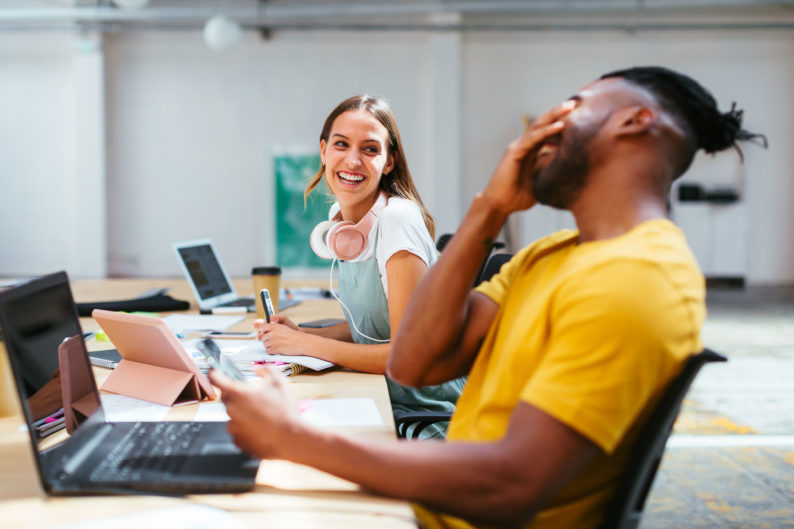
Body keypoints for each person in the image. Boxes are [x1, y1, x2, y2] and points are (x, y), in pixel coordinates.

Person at [211, 67, 766, 528]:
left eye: (571, 106)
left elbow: (511, 486)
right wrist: (490, 208)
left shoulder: (640, 278)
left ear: (634, 120)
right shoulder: (547, 255)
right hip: (439, 487)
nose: (544, 126)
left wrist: (294, 438)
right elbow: (414, 359)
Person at [254, 95, 465, 438]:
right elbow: (372, 327)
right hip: (385, 397)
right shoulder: (344, 227)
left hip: (428, 414)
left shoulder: (396, 220)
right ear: (323, 151)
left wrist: (306, 346)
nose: (352, 160)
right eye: (341, 144)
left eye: (370, 149)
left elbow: (405, 354)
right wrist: (303, 333)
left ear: (388, 162)